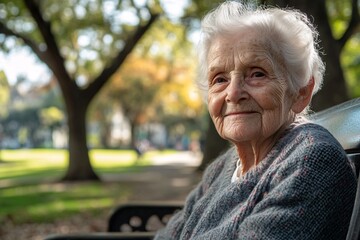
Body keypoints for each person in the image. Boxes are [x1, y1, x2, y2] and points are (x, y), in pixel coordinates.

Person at [155, 1, 357, 239]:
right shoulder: (226, 165)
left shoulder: (312, 161)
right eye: (220, 79)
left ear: (301, 91)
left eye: (257, 74)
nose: (232, 93)